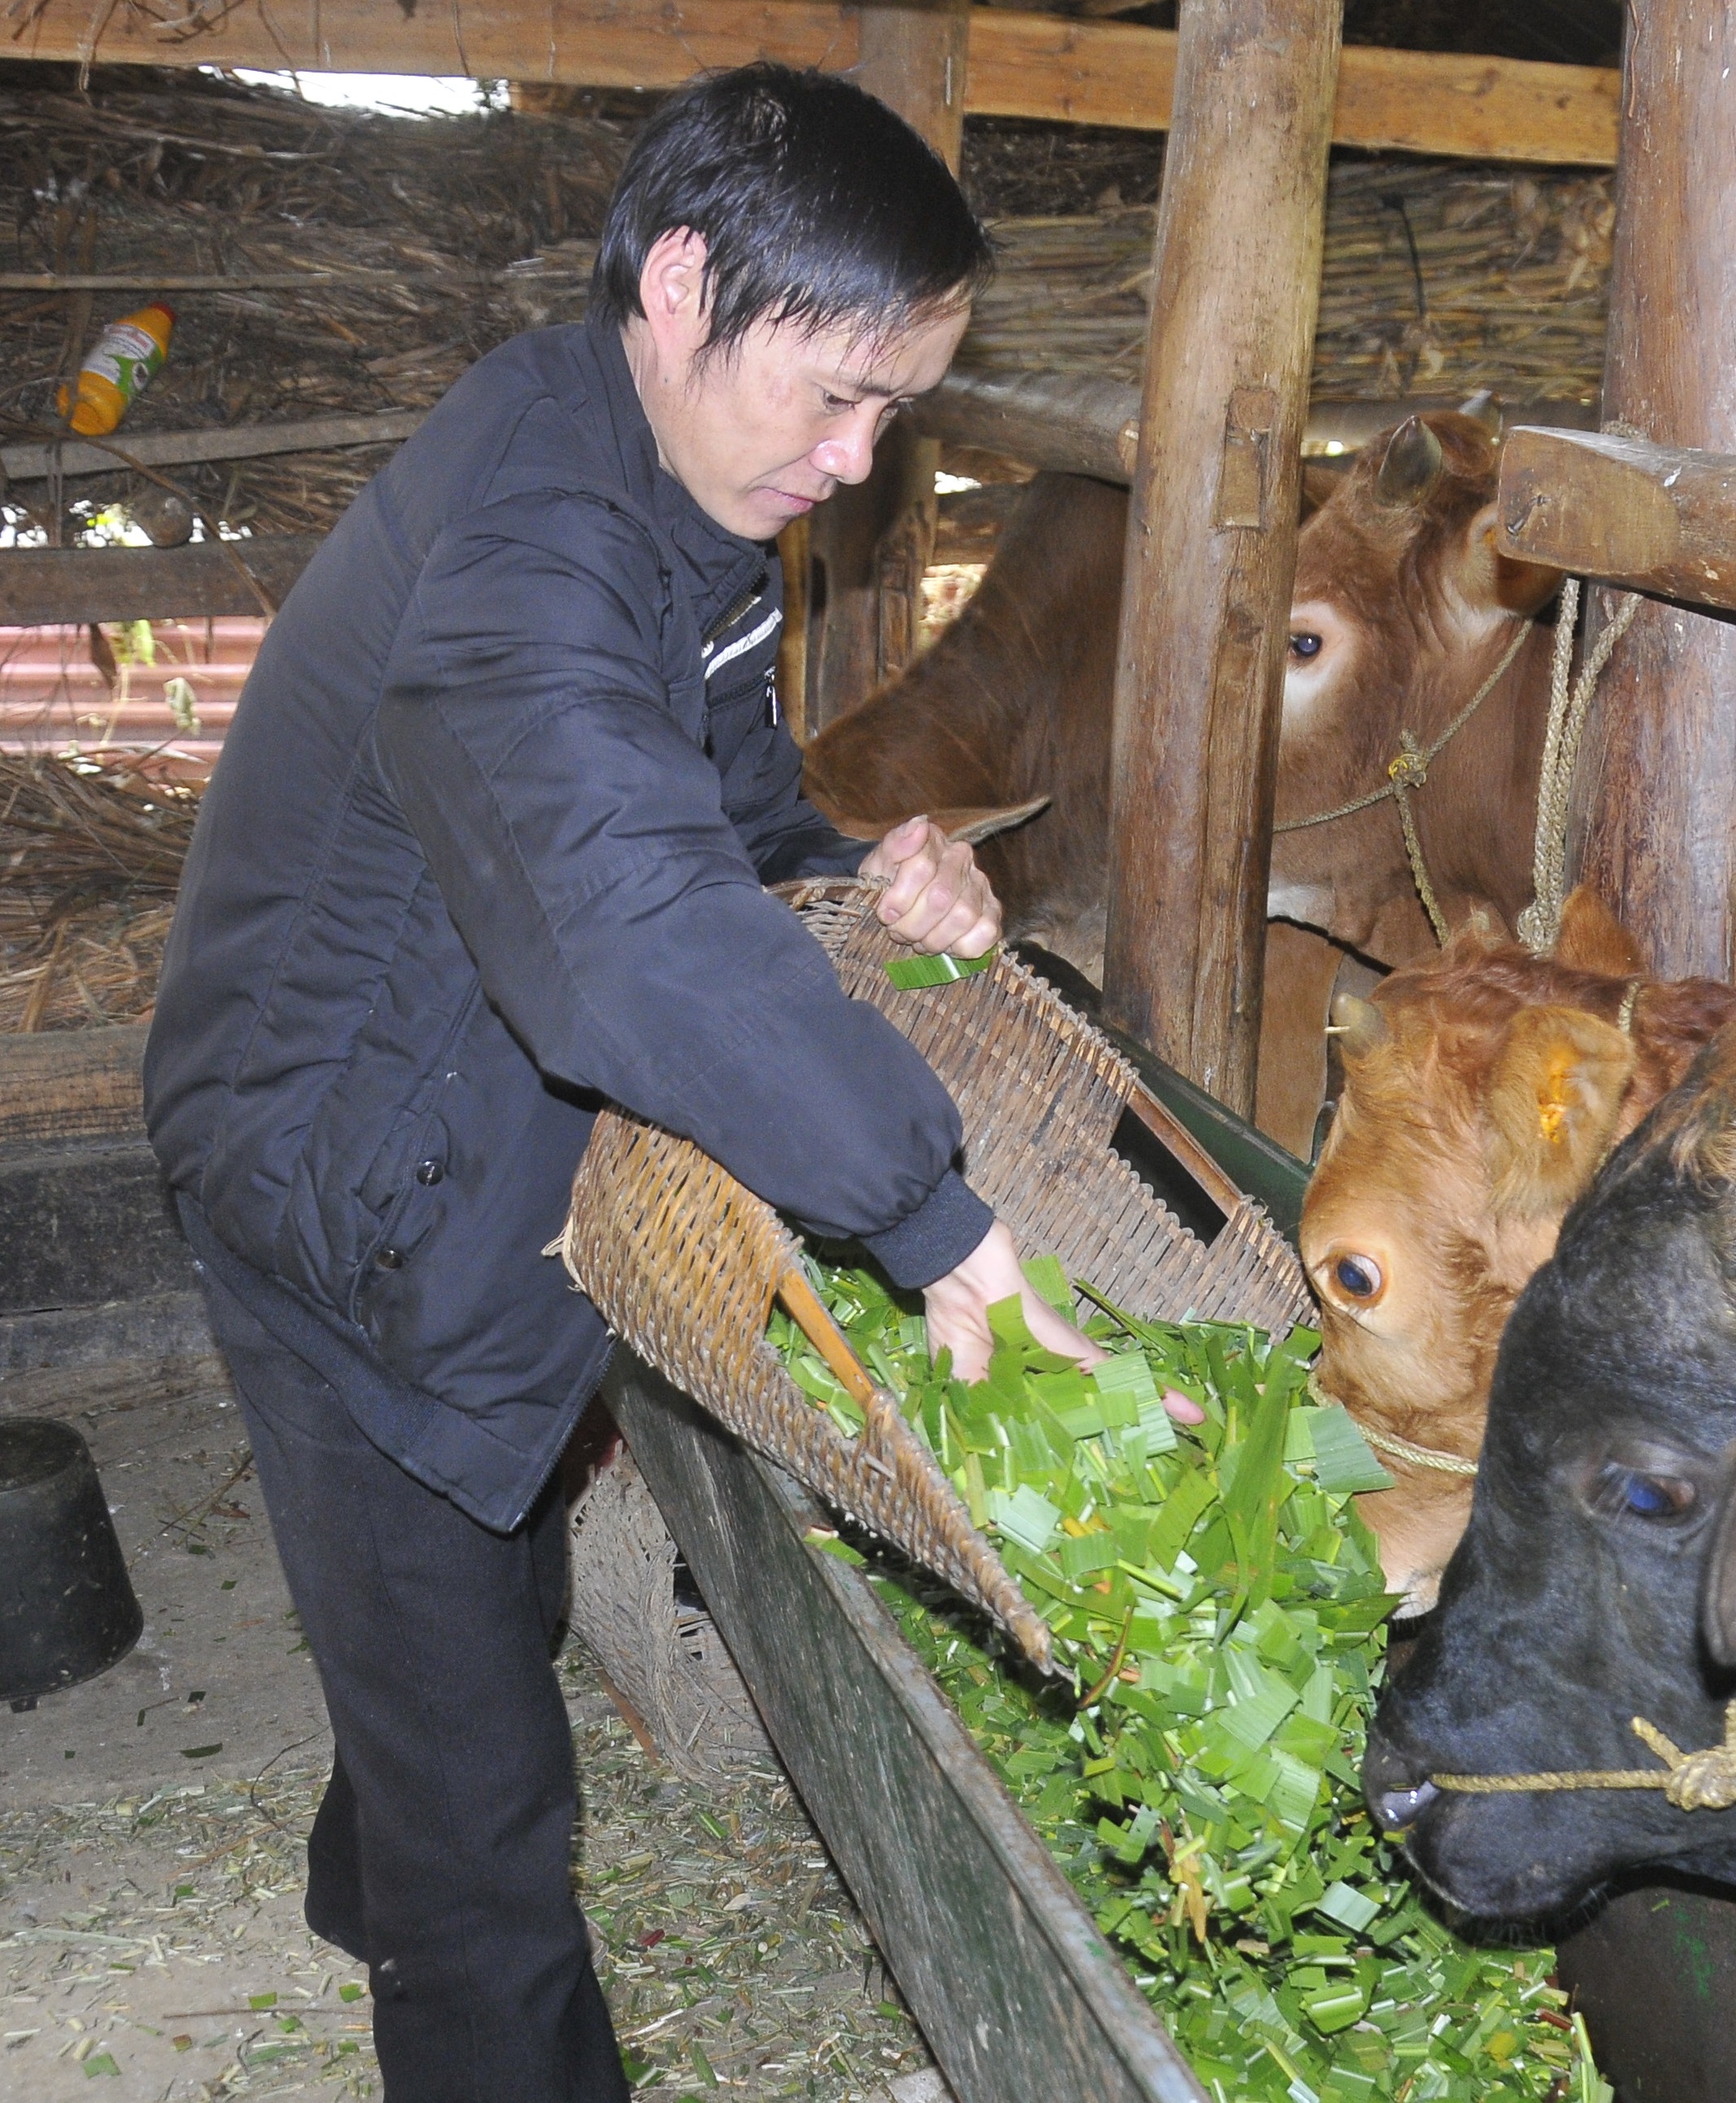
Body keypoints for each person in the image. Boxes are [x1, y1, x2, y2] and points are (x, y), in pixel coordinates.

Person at [144, 65, 1163, 2099]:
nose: (856, 462)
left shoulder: (675, 493)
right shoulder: (535, 539)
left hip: (449, 1133)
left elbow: (718, 813)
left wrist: (864, 867)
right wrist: (928, 1211)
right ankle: (428, 1911)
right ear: (685, 283)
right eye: (840, 395)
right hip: (334, 1193)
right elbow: (620, 921)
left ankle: (372, 1859)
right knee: (490, 1833)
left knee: (484, 1580)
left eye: (896, 415)